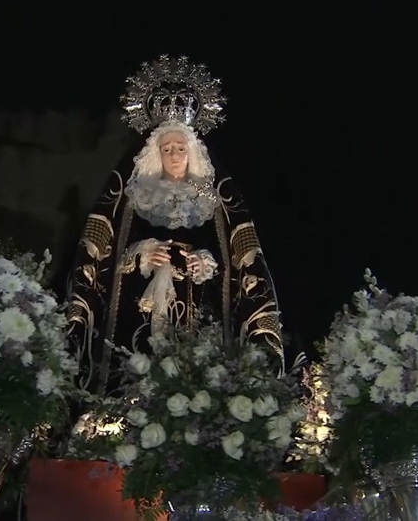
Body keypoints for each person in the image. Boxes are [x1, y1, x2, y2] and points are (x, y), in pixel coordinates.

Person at [65, 55, 286, 395]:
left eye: (180, 147)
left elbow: (238, 262)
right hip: (136, 315)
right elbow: (100, 258)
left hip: (200, 314)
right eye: (166, 148)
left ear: (192, 151)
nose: (173, 154)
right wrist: (139, 254)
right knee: (135, 378)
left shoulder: (213, 198)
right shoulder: (134, 195)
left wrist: (206, 264)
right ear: (155, 153)